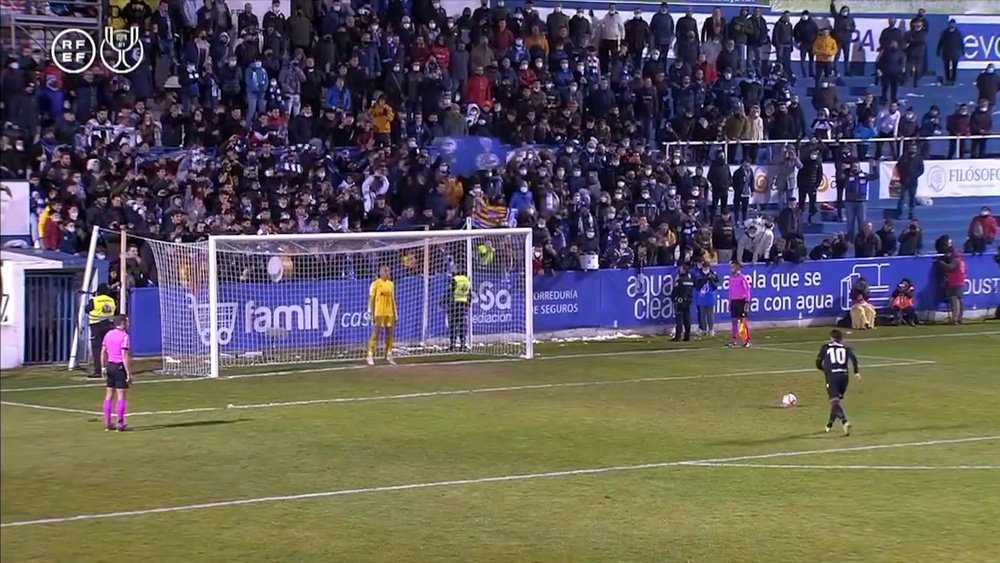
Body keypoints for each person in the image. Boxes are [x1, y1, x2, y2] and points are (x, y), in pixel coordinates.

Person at [815, 329, 861, 435]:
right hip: (844, 377)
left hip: (833, 376)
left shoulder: (825, 347)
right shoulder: (846, 348)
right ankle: (829, 424)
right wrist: (856, 372)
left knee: (834, 401)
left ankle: (844, 421)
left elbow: (818, 363)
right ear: (841, 339)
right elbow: (854, 359)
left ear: (831, 338)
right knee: (836, 403)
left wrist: (826, 370)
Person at [101, 316, 133, 432]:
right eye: (127, 321)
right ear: (123, 322)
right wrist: (128, 373)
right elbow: (124, 355)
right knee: (121, 396)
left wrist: (103, 367)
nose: (129, 324)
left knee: (109, 395)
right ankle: (120, 423)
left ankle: (108, 422)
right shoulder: (124, 336)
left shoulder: (108, 334)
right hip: (119, 367)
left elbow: (103, 351)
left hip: (110, 366)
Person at [367, 265, 398, 366]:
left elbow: (393, 299)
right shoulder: (375, 284)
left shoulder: (391, 284)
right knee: (376, 333)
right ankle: (370, 354)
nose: (387, 273)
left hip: (389, 312)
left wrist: (395, 313)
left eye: (388, 271)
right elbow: (371, 299)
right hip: (379, 312)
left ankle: (388, 354)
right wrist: (369, 312)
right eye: (385, 271)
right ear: (380, 273)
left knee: (390, 333)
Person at [87, 284, 117, 379]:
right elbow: (114, 311)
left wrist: (94, 297)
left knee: (97, 349)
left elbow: (87, 309)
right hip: (109, 325)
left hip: (96, 326)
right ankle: (110, 369)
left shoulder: (94, 300)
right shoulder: (111, 300)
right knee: (108, 349)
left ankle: (98, 370)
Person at [447, 266, 473, 351]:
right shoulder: (467, 280)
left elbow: (450, 291)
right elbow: (469, 294)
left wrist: (445, 301)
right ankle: (463, 344)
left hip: (454, 304)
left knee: (453, 325)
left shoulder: (455, 279)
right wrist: (468, 303)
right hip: (463, 304)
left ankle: (453, 345)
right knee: (462, 325)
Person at [727, 260, 752, 348]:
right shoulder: (731, 278)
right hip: (734, 301)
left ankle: (746, 340)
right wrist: (730, 302)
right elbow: (730, 291)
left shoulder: (742, 278)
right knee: (734, 321)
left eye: (733, 267)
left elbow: (747, 290)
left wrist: (747, 302)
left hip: (741, 301)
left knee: (743, 321)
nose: (731, 269)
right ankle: (733, 340)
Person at [693, 261, 719, 337]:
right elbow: (697, 286)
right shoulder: (699, 275)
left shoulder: (713, 274)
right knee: (702, 314)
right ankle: (704, 329)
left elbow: (716, 285)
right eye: (704, 267)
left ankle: (711, 329)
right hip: (701, 298)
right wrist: (703, 280)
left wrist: (711, 279)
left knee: (710, 314)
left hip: (710, 297)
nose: (706, 269)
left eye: (707, 267)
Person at [671, 263, 694, 341]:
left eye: (681, 269)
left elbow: (675, 291)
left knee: (679, 319)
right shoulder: (690, 281)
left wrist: (673, 298)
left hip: (680, 301)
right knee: (687, 319)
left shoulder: (680, 280)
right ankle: (687, 336)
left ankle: (678, 336)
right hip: (688, 301)